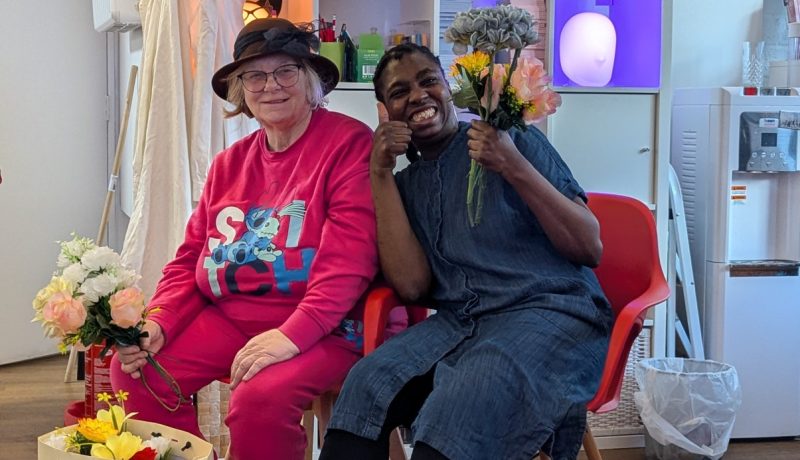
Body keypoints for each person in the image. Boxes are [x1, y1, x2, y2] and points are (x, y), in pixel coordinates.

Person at [319, 44, 614, 460]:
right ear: (385, 112)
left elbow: (589, 246)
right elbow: (413, 287)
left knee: (460, 406)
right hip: (463, 323)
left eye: (428, 81)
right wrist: (380, 171)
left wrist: (511, 164)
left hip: (553, 313)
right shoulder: (407, 186)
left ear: (448, 88)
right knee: (366, 383)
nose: (418, 96)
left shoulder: (512, 139)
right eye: (399, 92)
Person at [111, 18, 380, 460]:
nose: (270, 86)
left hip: (326, 326)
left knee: (259, 397)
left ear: (311, 80)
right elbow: (191, 259)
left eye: (285, 71)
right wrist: (159, 321)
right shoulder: (228, 163)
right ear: (241, 89)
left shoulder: (348, 143)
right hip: (232, 318)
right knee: (135, 372)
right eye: (255, 75)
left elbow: (349, 263)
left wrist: (291, 336)